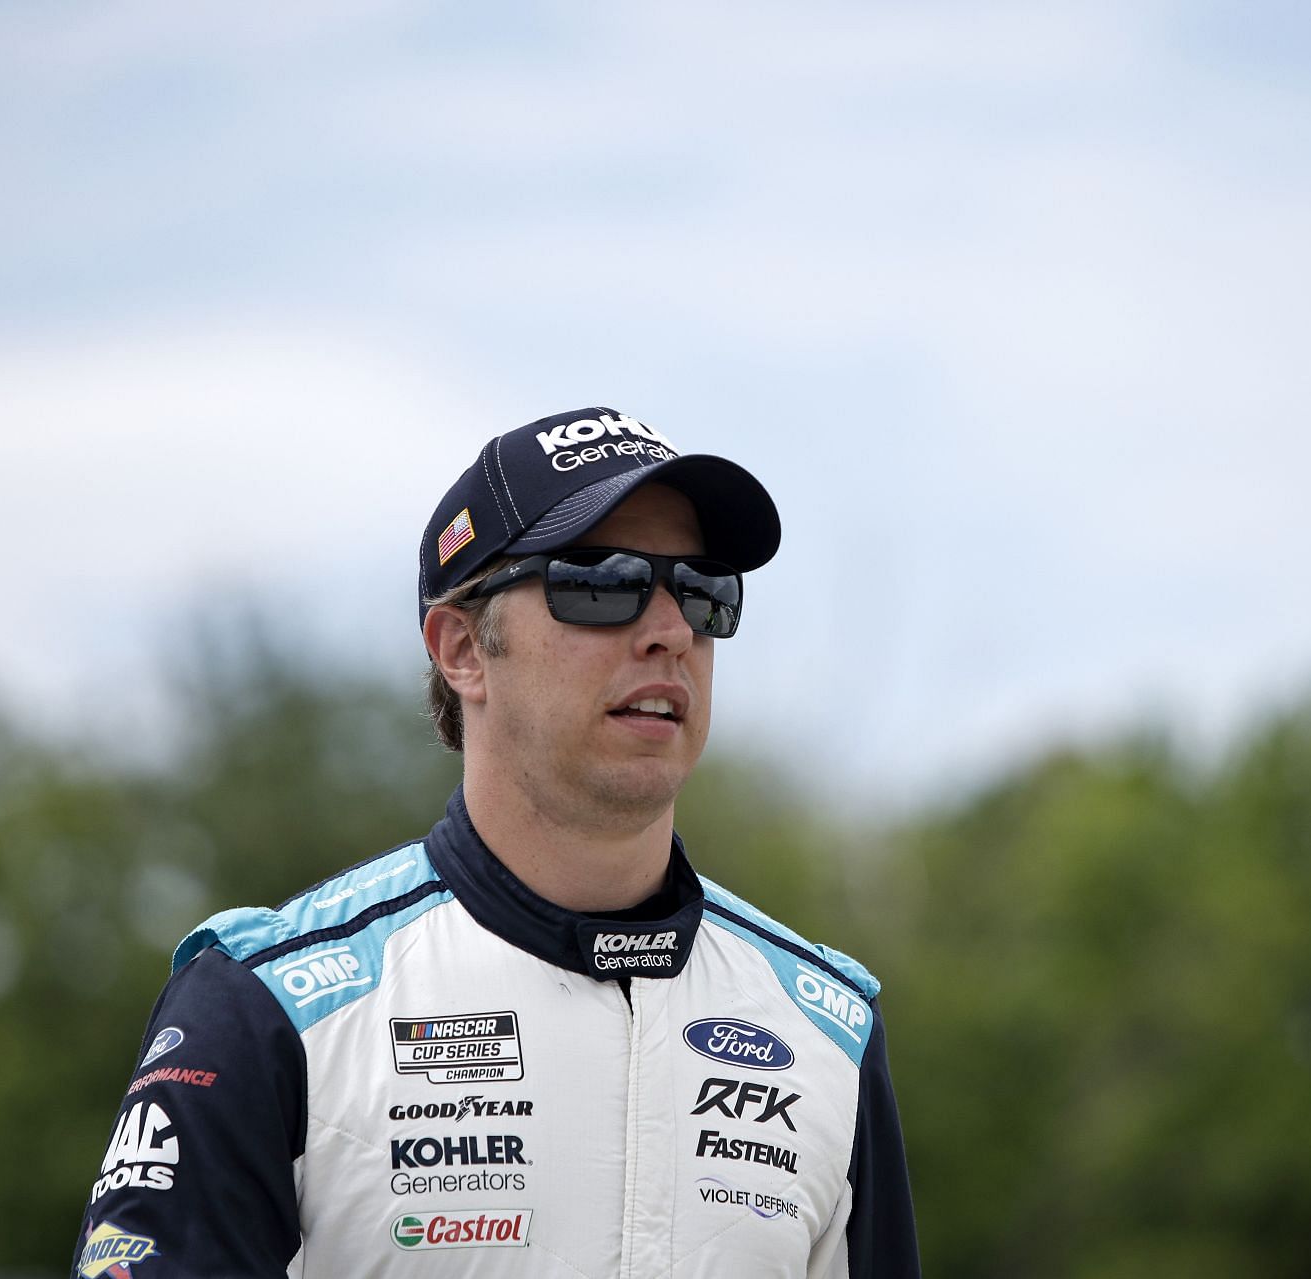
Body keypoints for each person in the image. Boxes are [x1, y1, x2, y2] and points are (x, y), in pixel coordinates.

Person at [72, 407, 920, 1277]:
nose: (670, 630)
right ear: (463, 648)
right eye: (600, 580)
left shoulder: (828, 1026)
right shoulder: (265, 1009)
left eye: (704, 590)